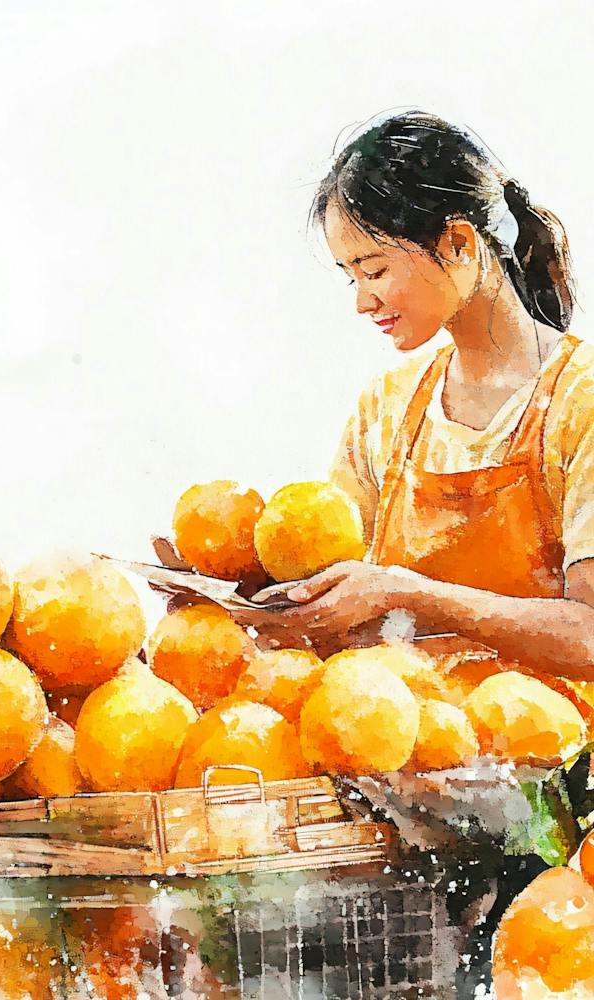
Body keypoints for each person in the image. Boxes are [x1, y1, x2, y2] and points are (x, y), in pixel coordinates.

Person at [233, 110, 594, 710]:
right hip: (400, 743)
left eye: (373, 270)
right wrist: (248, 593)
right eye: (350, 277)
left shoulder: (580, 399)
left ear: (458, 244)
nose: (362, 302)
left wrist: (411, 594)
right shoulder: (387, 408)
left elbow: (589, 636)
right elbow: (337, 594)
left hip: (549, 753)